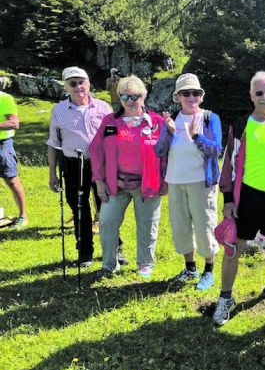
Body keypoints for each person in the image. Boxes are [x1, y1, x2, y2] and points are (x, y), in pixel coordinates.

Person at [213, 71, 265, 326]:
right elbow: (227, 165)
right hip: (245, 196)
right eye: (259, 92)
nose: (264, 97)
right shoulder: (240, 126)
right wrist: (227, 199)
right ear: (251, 95)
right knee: (233, 247)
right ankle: (225, 297)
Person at [90, 76, 165, 280]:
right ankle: (109, 265)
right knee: (106, 222)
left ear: (144, 96)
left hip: (147, 185)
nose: (130, 100)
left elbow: (166, 153)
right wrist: (99, 180)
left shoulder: (157, 122)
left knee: (147, 224)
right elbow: (95, 150)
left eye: (135, 96)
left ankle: (145, 264)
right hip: (116, 184)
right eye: (125, 96)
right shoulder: (110, 121)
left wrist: (165, 181)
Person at [47, 66, 122, 267]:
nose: (78, 87)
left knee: (107, 208)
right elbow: (53, 144)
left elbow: (113, 137)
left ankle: (115, 248)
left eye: (82, 82)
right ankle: (85, 252)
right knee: (79, 208)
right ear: (66, 86)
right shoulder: (59, 110)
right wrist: (52, 174)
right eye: (73, 83)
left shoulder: (103, 107)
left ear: (89, 84)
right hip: (72, 164)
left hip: (102, 165)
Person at [155, 73, 222, 290]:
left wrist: (196, 136)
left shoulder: (210, 118)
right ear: (178, 97)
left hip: (202, 182)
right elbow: (159, 150)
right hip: (175, 181)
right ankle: (190, 268)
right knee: (180, 226)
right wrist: (169, 132)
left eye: (195, 93)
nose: (191, 97)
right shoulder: (171, 120)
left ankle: (208, 271)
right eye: (186, 93)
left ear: (201, 96)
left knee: (205, 226)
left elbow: (215, 150)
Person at [0, 85, 27, 229]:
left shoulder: (5, 98)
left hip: (3, 144)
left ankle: (23, 216)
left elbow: (13, 123)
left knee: (11, 180)